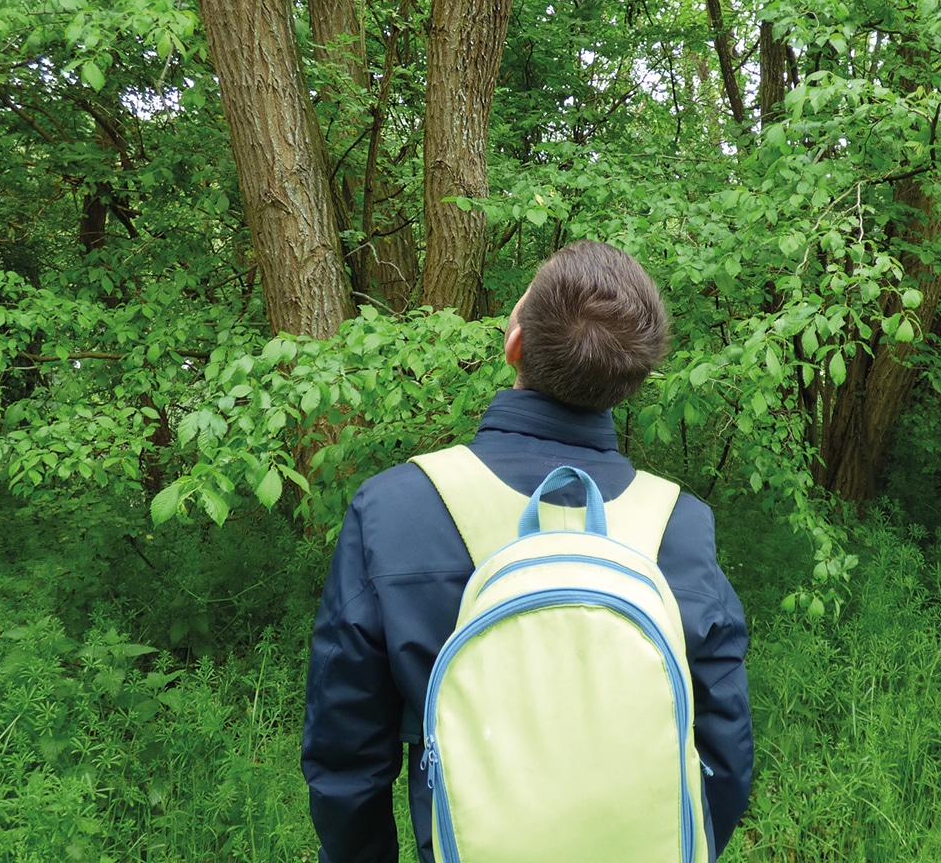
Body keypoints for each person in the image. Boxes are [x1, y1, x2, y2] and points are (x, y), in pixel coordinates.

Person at [302, 240, 754, 863]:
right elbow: (725, 754)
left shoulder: (395, 507)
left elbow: (345, 759)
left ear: (514, 344)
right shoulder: (680, 525)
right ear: (634, 382)